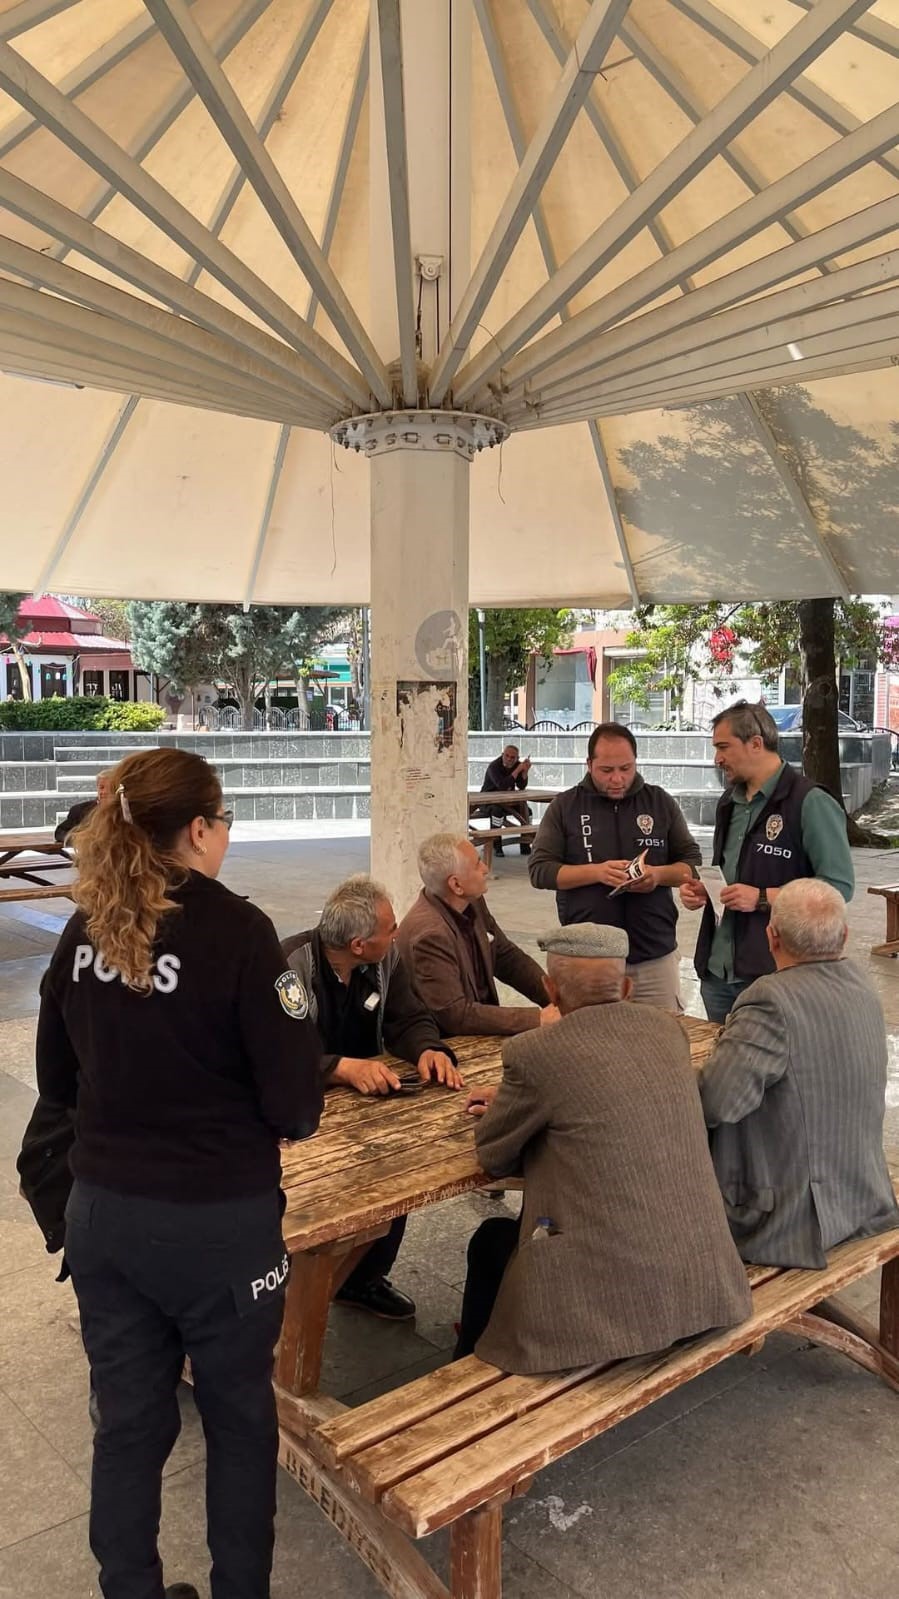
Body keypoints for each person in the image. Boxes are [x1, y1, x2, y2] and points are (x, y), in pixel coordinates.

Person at [30, 747, 323, 1599]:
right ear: (197, 829)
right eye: (223, 821)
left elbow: (56, 1085)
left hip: (104, 1220)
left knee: (126, 1424)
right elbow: (295, 1105)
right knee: (237, 1420)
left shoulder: (86, 930)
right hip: (217, 1228)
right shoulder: (238, 931)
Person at [454, 924, 751, 1373]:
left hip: (615, 1304)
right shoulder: (667, 1031)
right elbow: (607, 1083)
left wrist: (523, 1103)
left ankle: (467, 1369)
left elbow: (493, 1155)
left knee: (492, 1240)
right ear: (628, 988)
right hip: (706, 1283)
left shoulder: (535, 1052)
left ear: (551, 991)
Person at [282, 874, 463, 1321]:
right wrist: (339, 1067)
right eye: (390, 927)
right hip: (302, 1109)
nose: (398, 932)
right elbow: (277, 1052)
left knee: (397, 1176)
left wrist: (427, 1049)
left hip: (368, 1104)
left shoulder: (387, 959)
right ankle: (290, 1289)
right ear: (359, 944)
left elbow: (409, 1017)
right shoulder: (289, 966)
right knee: (312, 1203)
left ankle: (362, 1279)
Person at [698, 879, 899, 1268]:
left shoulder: (769, 1000)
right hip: (862, 1195)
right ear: (844, 934)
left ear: (771, 936)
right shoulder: (863, 986)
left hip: (796, 1220)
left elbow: (715, 1103)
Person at [680, 700, 854, 1022]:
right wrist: (706, 889)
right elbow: (733, 872)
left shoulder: (810, 801)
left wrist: (762, 897)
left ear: (756, 743)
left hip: (773, 976)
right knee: (724, 1069)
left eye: (723, 747)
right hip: (716, 972)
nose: (717, 759)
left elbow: (839, 888)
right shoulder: (729, 803)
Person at [528, 722, 701, 1010]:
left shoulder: (660, 802)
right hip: (589, 960)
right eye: (606, 771)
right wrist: (596, 872)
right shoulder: (565, 806)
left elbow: (692, 863)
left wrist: (657, 875)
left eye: (626, 768)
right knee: (593, 1046)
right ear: (589, 764)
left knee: (661, 1042)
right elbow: (540, 871)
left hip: (653, 955)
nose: (618, 779)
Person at [397, 833, 560, 1036]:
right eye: (477, 864)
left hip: (478, 1026)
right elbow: (456, 1016)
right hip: (446, 1045)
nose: (485, 869)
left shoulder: (471, 901)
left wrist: (556, 998)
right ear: (456, 885)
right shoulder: (429, 936)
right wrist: (538, 1018)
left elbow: (507, 958)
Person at [476, 744, 533, 855]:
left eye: (513, 757)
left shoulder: (517, 765)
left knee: (527, 811)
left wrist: (525, 771)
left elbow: (521, 786)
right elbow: (502, 785)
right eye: (507, 756)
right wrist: (517, 770)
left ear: (517, 758)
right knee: (497, 812)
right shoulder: (494, 766)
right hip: (488, 801)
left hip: (507, 801)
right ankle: (496, 845)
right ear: (502, 755)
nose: (509, 759)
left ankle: (525, 843)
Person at [54, 768, 113, 844]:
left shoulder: (125, 812)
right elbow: (60, 832)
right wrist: (77, 838)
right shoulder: (79, 810)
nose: (104, 792)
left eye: (110, 788)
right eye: (101, 787)